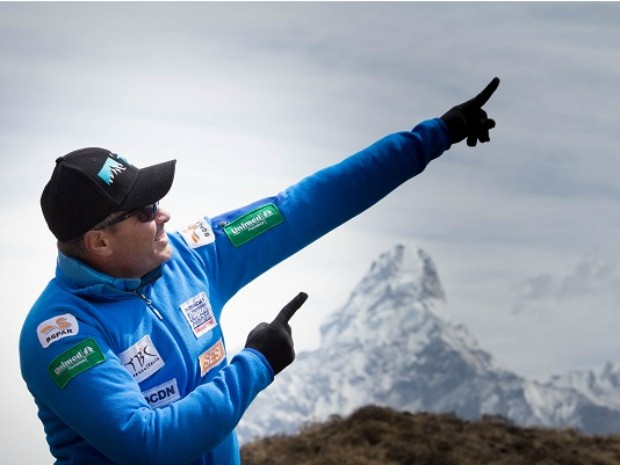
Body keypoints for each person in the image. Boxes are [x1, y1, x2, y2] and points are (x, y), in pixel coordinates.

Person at [19, 77, 500, 465]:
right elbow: (149, 444)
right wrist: (256, 363)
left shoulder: (192, 257)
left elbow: (307, 204)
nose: (163, 215)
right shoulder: (60, 333)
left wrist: (432, 137)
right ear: (99, 242)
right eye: (145, 210)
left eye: (158, 200)